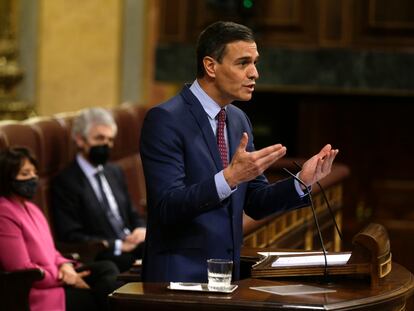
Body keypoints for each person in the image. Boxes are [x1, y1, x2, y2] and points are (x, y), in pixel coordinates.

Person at [140, 21, 339, 283]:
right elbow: (166, 206)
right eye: (243, 63)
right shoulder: (165, 119)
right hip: (178, 279)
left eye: (255, 62)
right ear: (210, 66)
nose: (254, 73)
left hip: (225, 277)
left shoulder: (237, 120)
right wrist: (229, 178)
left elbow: (255, 202)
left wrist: (302, 181)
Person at [0, 147, 120, 311]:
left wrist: (66, 266)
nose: (33, 178)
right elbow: (22, 271)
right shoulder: (4, 213)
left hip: (58, 279)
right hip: (40, 294)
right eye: (25, 174)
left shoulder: (32, 208)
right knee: (99, 297)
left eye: (34, 173)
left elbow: (52, 252)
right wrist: (62, 278)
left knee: (106, 268)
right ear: (8, 178)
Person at [51, 107, 146, 272]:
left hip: (133, 243)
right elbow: (71, 234)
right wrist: (116, 245)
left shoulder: (114, 171)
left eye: (110, 140)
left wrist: (141, 228)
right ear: (80, 140)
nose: (106, 145)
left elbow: (132, 212)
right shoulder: (66, 181)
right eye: (100, 138)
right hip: (103, 254)